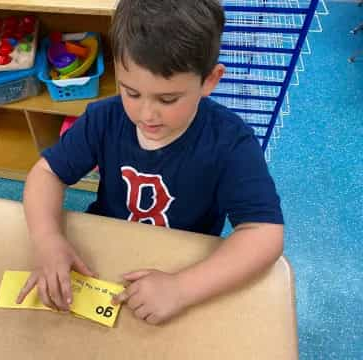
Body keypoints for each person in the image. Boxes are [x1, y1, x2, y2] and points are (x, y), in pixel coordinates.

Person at [17, 0, 284, 325]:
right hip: (106, 257)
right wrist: (47, 239)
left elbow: (264, 233)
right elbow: (46, 174)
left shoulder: (231, 143)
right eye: (131, 92)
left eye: (167, 99)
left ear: (210, 81)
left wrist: (183, 288)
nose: (146, 115)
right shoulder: (104, 119)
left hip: (182, 269)